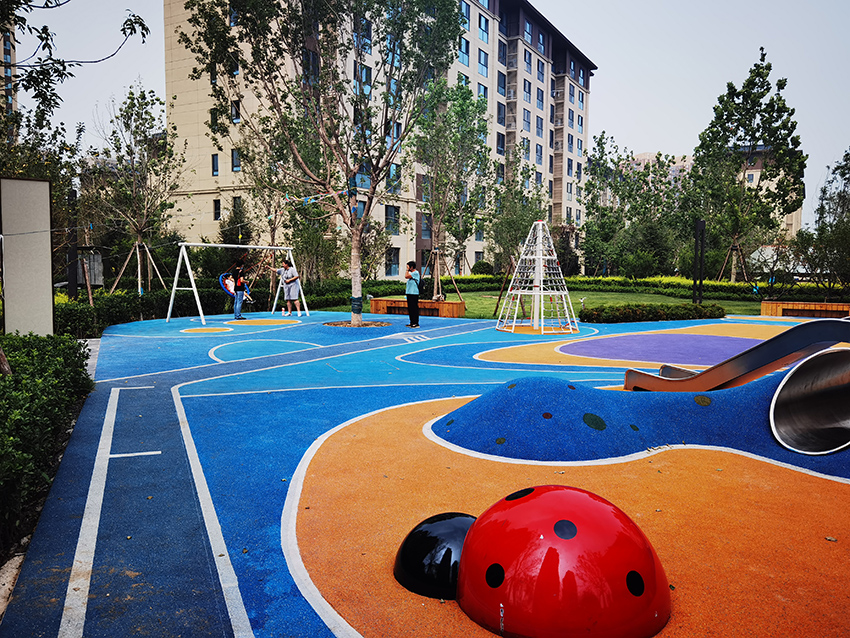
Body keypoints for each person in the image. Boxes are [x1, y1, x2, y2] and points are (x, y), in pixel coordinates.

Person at [404, 260, 420, 328]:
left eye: (408, 267)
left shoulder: (415, 273)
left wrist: (407, 270)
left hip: (414, 293)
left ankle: (415, 323)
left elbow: (406, 276)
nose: (407, 268)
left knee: (414, 308)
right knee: (410, 308)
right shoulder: (412, 274)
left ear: (411, 267)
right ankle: (411, 322)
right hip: (409, 293)